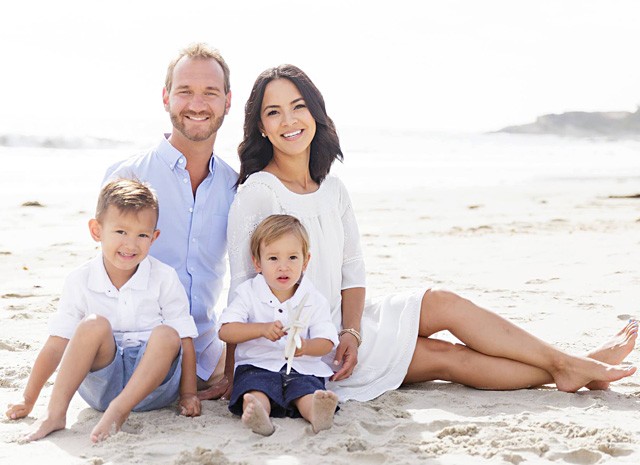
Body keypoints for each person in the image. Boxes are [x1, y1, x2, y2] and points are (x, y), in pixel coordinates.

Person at [226, 64, 638, 402]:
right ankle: (569, 366)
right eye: (273, 112)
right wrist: (235, 374)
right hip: (310, 343)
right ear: (261, 126)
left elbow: (352, 269)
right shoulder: (259, 192)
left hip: (349, 323)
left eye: (298, 106)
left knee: (442, 301)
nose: (289, 120)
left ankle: (567, 364)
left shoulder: (332, 189)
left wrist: (352, 331)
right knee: (445, 356)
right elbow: (242, 287)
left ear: (315, 112)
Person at [5, 179, 200, 442]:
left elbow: (185, 339)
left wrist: (188, 394)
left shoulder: (164, 277)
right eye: (120, 232)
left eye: (142, 235)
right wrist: (28, 399)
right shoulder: (80, 279)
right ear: (96, 231)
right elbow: (56, 344)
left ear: (154, 237)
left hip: (153, 389)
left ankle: (119, 410)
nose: (131, 244)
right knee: (92, 324)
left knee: (168, 334)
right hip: (101, 387)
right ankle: (55, 414)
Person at [104, 43, 238, 400]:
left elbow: (245, 280)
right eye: (185, 91)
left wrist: (232, 367)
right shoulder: (128, 176)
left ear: (227, 101)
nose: (197, 104)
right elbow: (104, 280)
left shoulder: (235, 187)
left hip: (207, 357)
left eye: (210, 92)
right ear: (166, 98)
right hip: (137, 355)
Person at [219, 214, 339, 436]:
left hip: (303, 368)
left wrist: (306, 347)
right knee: (255, 389)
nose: (284, 267)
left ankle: (317, 414)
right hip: (258, 365)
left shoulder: (313, 298)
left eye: (292, 257)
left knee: (306, 391)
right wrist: (261, 329)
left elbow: (327, 342)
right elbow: (226, 331)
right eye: (273, 258)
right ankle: (259, 414)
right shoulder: (248, 293)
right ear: (257, 263)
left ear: (305, 261)